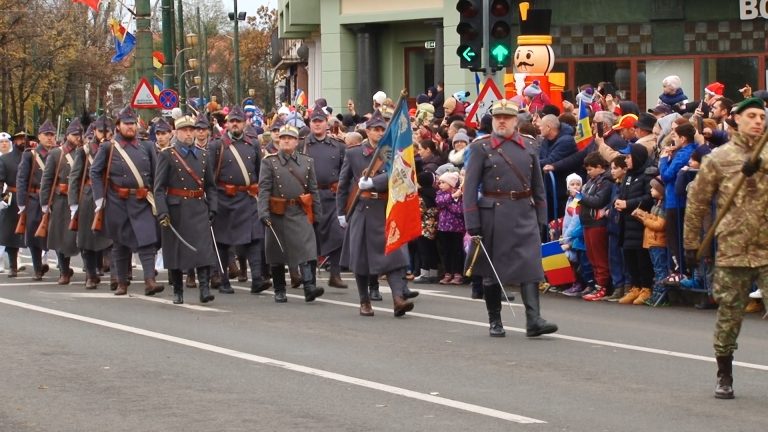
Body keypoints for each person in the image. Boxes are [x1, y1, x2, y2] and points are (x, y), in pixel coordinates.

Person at [684, 97, 768, 399]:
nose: (758, 121)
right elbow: (697, 202)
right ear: (736, 119)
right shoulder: (719, 158)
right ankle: (724, 373)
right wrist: (691, 243)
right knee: (730, 315)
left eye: (762, 116)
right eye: (752, 116)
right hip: (733, 247)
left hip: (767, 247)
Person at [463, 99, 557, 337]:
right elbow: (470, 188)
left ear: (516, 121)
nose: (502, 121)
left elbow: (538, 185)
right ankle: (495, 321)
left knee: (530, 266)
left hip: (524, 210)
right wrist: (472, 223)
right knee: (493, 270)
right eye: (497, 117)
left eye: (506, 118)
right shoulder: (480, 147)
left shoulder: (529, 145)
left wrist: (542, 217)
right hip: (493, 213)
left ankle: (533, 320)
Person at [337, 110, 417, 317]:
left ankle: (398, 298)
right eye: (375, 129)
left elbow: (398, 175)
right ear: (368, 131)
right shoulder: (354, 153)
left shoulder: (392, 153)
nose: (379, 133)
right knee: (360, 260)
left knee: (394, 256)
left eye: (382, 129)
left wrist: (374, 182)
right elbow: (343, 184)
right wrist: (341, 213)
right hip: (362, 210)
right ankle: (364, 301)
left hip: (385, 209)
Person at [89, 106, 164, 296]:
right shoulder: (108, 147)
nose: (130, 127)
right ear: (118, 126)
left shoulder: (147, 146)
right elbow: (95, 172)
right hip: (117, 201)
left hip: (142, 200)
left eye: (133, 124)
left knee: (148, 241)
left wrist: (157, 198)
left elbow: (156, 175)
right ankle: (121, 282)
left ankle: (150, 280)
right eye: (126, 124)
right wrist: (100, 199)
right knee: (120, 244)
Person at [154, 115, 218, 304]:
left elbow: (211, 186)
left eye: (191, 130)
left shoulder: (204, 155)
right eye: (184, 130)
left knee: (203, 249)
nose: (189, 133)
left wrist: (213, 207)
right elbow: (158, 188)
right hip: (177, 208)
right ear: (176, 133)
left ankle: (204, 289)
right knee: (176, 251)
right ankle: (178, 290)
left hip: (198, 206)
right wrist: (162, 211)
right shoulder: (168, 155)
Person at [208, 106, 271, 295]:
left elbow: (260, 172)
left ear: (244, 123)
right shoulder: (216, 145)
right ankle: (223, 279)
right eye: (232, 121)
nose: (235, 124)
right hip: (224, 198)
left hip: (247, 197)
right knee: (223, 241)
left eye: (239, 121)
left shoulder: (252, 144)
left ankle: (257, 279)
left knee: (255, 237)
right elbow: (209, 177)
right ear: (226, 124)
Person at [258, 124, 324, 303]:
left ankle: (309, 286)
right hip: (277, 211)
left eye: (290, 138)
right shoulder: (269, 162)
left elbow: (313, 189)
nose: (286, 141)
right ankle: (279, 289)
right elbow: (263, 189)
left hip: (299, 210)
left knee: (307, 248)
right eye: (283, 138)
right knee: (276, 252)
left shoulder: (307, 162)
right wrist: (262, 212)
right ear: (278, 141)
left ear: (296, 142)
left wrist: (317, 213)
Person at [302, 105, 347, 289]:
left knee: (338, 235)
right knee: (310, 238)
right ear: (310, 124)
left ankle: (335, 274)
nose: (317, 125)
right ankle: (310, 277)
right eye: (314, 121)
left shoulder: (338, 146)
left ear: (326, 124)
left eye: (320, 121)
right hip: (310, 198)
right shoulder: (302, 145)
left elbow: (346, 172)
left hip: (332, 196)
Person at [69, 115, 114, 289]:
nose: (104, 134)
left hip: (110, 194)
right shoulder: (85, 151)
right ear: (94, 131)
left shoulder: (115, 149)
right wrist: (73, 203)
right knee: (87, 239)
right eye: (101, 131)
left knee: (109, 238)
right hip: (88, 196)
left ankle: (113, 273)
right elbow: (75, 178)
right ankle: (90, 273)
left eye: (107, 131)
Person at [39, 118, 82, 284]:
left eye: (79, 134)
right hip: (61, 200)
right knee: (61, 237)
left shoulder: (84, 152)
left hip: (81, 199)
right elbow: (47, 180)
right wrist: (45, 204)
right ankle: (64, 271)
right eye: (74, 134)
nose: (77, 137)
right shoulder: (57, 154)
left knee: (82, 236)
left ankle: (92, 271)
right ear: (67, 135)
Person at [615, 144, 655, 305]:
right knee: (629, 256)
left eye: (629, 157)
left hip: (640, 222)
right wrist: (617, 202)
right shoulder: (628, 175)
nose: (626, 160)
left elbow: (648, 198)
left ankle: (646, 288)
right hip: (627, 222)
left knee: (641, 257)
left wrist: (628, 203)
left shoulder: (647, 174)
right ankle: (635, 287)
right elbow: (622, 194)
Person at [17, 120, 55, 280]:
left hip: (54, 198)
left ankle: (63, 268)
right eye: (47, 135)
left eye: (52, 135)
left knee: (56, 232)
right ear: (39, 136)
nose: (50, 138)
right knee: (33, 234)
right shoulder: (30, 155)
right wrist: (21, 204)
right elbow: (22, 179)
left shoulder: (58, 154)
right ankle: (38, 267)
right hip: (34, 199)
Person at [579, 152, 613, 301]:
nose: (588, 172)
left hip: (598, 223)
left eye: (590, 169)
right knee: (592, 257)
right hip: (587, 222)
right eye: (587, 170)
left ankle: (603, 286)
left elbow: (597, 201)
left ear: (600, 167)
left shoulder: (605, 182)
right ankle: (596, 284)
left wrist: (580, 197)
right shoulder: (591, 181)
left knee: (600, 257)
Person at [631, 177, 669, 306]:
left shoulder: (664, 205)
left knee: (660, 269)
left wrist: (644, 220)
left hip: (658, 241)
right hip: (651, 241)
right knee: (656, 268)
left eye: (653, 188)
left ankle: (661, 295)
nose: (651, 190)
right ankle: (657, 294)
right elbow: (653, 217)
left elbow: (659, 225)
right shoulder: (656, 203)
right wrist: (642, 214)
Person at [560, 173, 595, 297]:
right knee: (574, 261)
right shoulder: (570, 200)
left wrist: (567, 237)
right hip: (569, 236)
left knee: (582, 262)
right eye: (572, 184)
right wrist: (564, 234)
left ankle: (586, 284)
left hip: (577, 237)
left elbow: (576, 221)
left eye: (578, 184)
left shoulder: (579, 200)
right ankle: (576, 283)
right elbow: (567, 219)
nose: (575, 186)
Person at [0, 130, 27, 277]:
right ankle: (13, 266)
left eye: (24, 139)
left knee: (34, 232)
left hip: (31, 197)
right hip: (13, 196)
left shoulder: (32, 157)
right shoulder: (5, 159)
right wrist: (2, 198)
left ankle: (39, 265)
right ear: (14, 141)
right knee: (11, 233)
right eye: (19, 139)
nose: (22, 141)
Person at [435, 171, 465, 285]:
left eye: (443, 182)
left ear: (451, 184)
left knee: (457, 251)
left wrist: (450, 202)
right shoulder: (440, 194)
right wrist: (452, 197)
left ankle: (458, 273)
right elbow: (439, 202)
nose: (440, 185)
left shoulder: (460, 195)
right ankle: (447, 273)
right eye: (440, 182)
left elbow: (459, 210)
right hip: (443, 228)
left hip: (457, 228)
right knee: (446, 251)